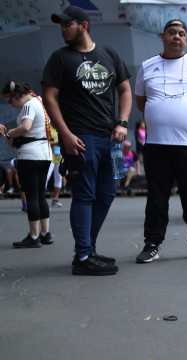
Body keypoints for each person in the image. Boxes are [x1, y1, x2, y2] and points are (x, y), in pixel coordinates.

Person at [43, 5, 131, 275]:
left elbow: (125, 89)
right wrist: (65, 135)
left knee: (106, 194)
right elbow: (49, 97)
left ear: (83, 25)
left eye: (67, 24)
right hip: (81, 138)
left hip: (109, 137)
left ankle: (87, 249)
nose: (63, 29)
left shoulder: (109, 54)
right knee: (85, 195)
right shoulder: (60, 58)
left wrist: (123, 122)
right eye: (61, 25)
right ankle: (82, 257)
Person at [134, 19, 187, 263]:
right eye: (172, 32)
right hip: (157, 146)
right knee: (157, 199)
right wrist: (161, 116)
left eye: (181, 33)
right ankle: (151, 245)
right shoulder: (147, 66)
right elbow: (141, 102)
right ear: (163, 36)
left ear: (186, 39)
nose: (177, 37)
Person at [2, 81, 53, 248]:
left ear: (17, 96)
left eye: (11, 101)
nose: (12, 105)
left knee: (31, 195)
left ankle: (34, 236)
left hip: (30, 156)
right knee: (40, 195)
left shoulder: (29, 105)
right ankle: (45, 233)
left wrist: (8, 132)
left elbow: (25, 127)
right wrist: (9, 136)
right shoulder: (39, 102)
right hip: (44, 154)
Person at [46, 124, 64, 207]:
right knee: (46, 176)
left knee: (59, 176)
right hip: (49, 154)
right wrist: (54, 143)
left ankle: (55, 199)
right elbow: (45, 140)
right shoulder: (47, 126)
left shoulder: (61, 126)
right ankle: (40, 198)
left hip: (58, 153)